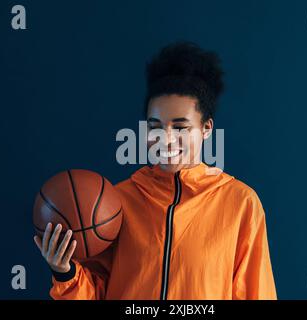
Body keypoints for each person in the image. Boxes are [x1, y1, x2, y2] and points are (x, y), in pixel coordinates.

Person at [34, 41, 277, 300]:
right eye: (155, 126)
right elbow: (95, 294)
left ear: (206, 128)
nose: (166, 138)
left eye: (180, 127)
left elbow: (256, 294)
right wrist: (64, 273)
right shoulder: (115, 204)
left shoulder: (241, 203)